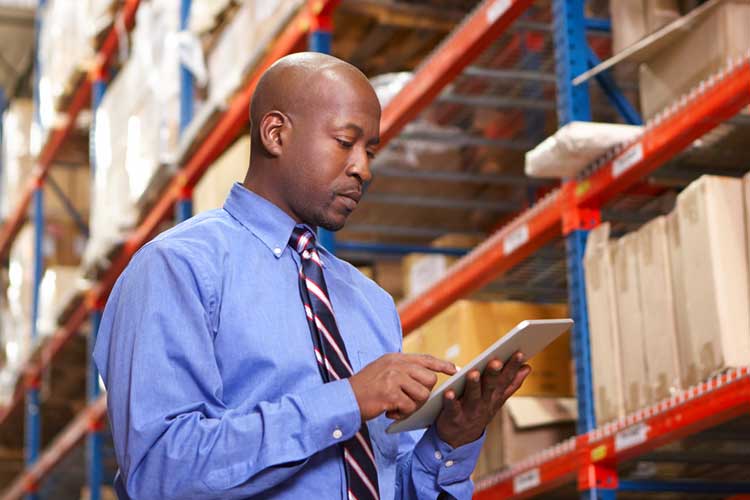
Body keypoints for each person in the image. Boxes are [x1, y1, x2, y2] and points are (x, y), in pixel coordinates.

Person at [94, 52, 531, 500]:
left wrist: (451, 440)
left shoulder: (370, 303)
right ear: (276, 133)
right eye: (346, 142)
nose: (364, 168)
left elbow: (383, 483)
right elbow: (161, 471)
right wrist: (348, 400)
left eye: (371, 150)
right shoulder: (178, 268)